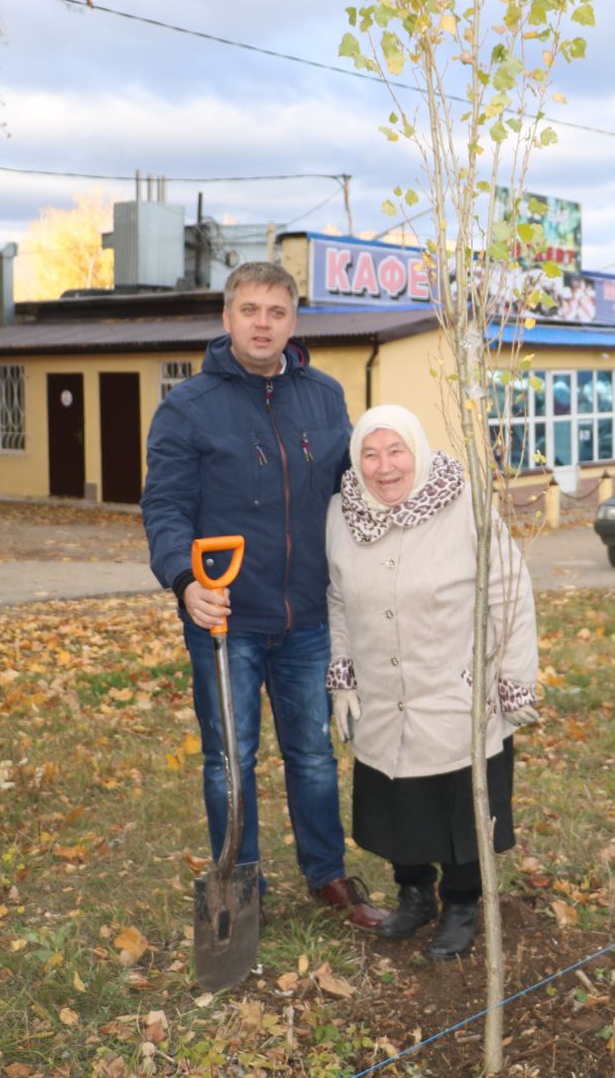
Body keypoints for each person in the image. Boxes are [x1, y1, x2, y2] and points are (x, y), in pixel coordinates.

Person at [140, 262, 386, 930]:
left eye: (276, 312)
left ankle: (328, 874)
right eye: (250, 310)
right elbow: (164, 508)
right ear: (226, 318)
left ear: (293, 321)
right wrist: (185, 583)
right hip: (226, 619)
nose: (262, 324)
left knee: (312, 752)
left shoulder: (325, 398)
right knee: (229, 759)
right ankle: (240, 887)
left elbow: (355, 488)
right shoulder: (188, 407)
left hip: (307, 614)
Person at [324, 405, 539, 960]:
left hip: (456, 691)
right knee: (398, 801)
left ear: (417, 453)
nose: (384, 466)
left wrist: (509, 680)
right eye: (370, 453)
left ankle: (462, 903)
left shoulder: (466, 506)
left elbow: (510, 592)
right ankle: (414, 895)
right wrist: (343, 673)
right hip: (382, 693)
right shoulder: (341, 514)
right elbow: (337, 598)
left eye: (396, 451)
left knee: (460, 809)